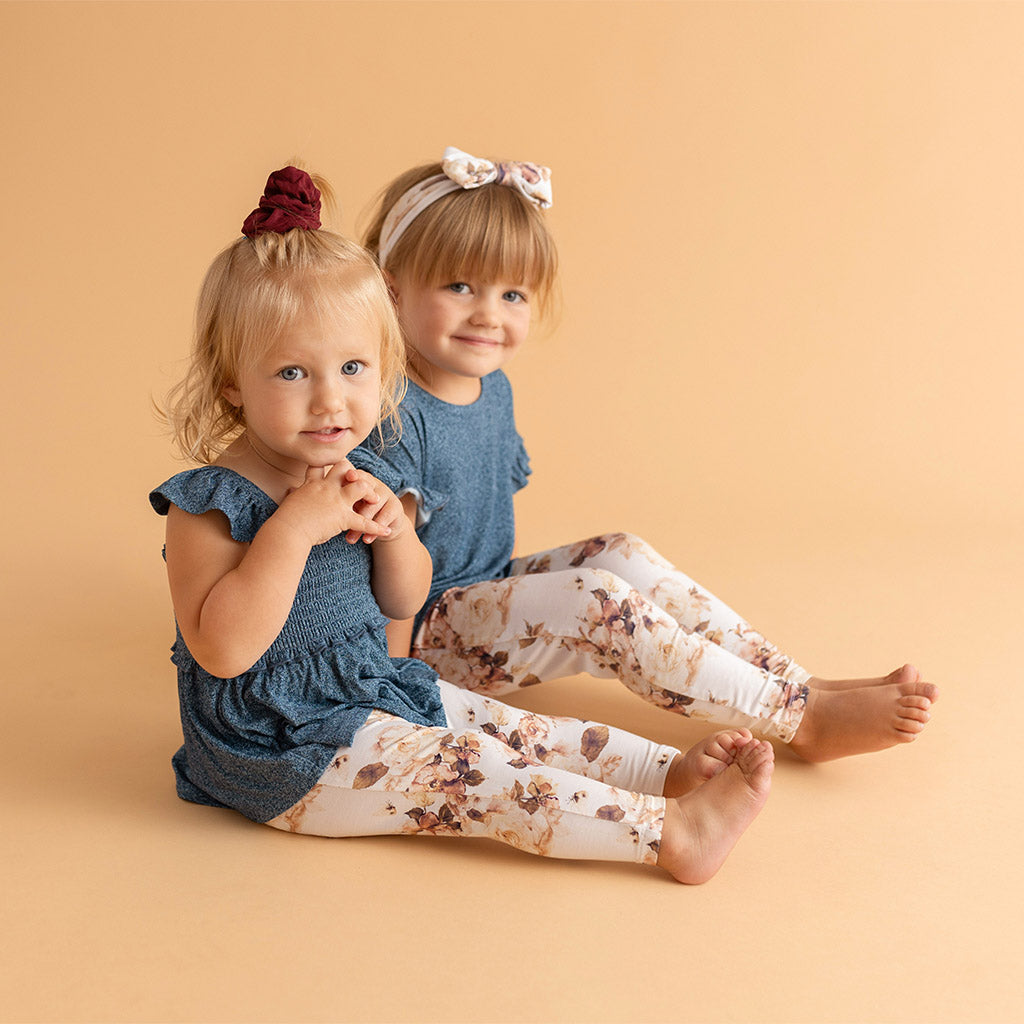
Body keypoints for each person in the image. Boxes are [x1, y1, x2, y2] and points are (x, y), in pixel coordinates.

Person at [150, 165, 779, 883]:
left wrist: (395, 535)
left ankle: (664, 772)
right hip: (280, 750)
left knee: (512, 729)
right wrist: (292, 530)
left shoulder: (349, 471)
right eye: (293, 374)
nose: (332, 401)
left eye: (354, 368)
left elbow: (403, 601)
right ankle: (666, 835)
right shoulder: (208, 502)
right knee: (475, 772)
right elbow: (223, 650)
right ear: (231, 378)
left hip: (374, 688)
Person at [353, 146, 938, 762]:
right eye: (459, 286)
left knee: (621, 555)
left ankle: (797, 685)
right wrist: (396, 686)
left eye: (513, 296)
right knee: (593, 605)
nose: (488, 315)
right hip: (421, 638)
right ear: (391, 293)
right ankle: (804, 721)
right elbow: (385, 579)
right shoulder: (393, 413)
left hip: (481, 591)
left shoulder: (491, 385)